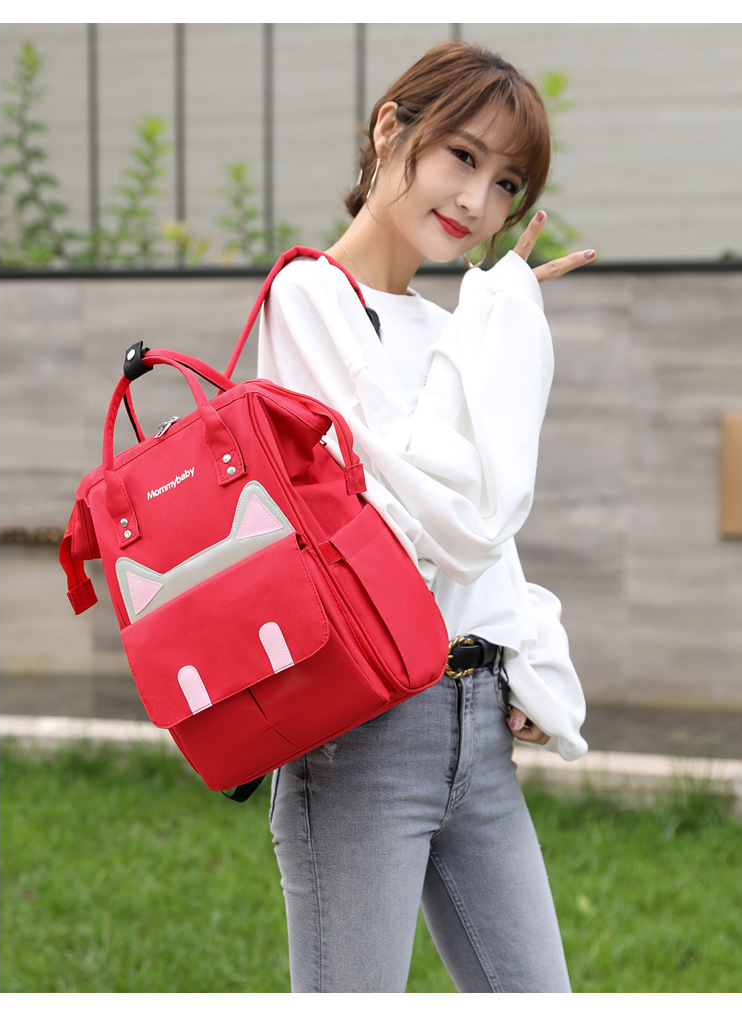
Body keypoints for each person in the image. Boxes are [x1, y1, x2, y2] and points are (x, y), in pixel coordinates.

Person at [257, 40, 593, 994]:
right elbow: (413, 509)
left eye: (508, 182)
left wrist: (524, 659)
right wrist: (496, 323)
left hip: (476, 726)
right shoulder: (308, 296)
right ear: (389, 129)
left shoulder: (450, 328)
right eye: (463, 156)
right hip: (366, 737)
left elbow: (489, 537)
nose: (479, 200)